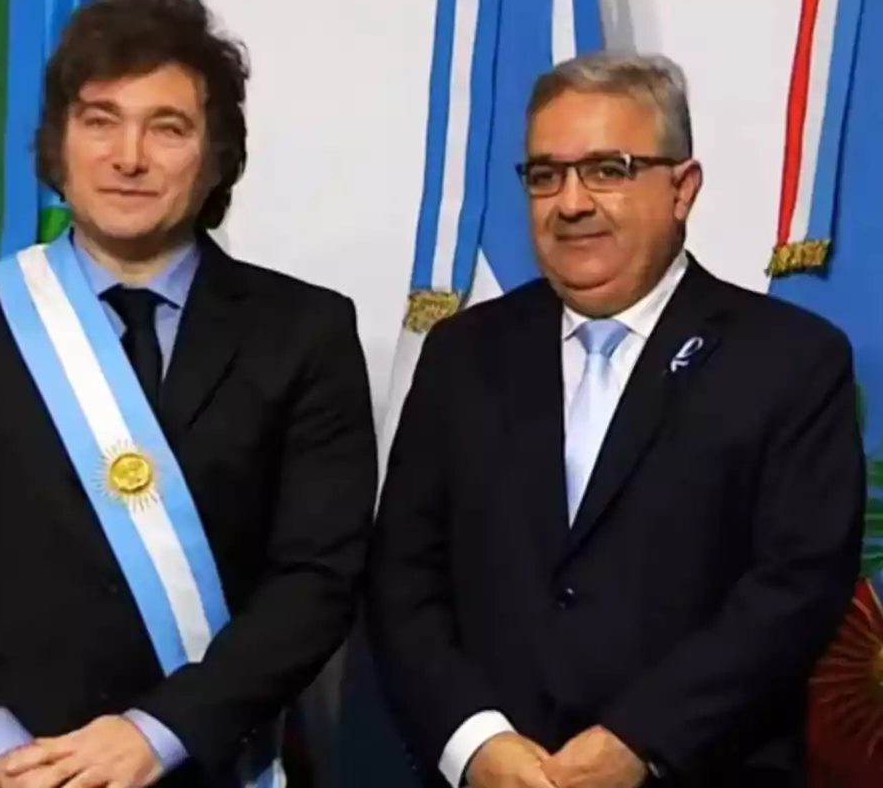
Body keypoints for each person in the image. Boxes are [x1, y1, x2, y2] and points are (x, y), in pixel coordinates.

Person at [0, 0, 377, 787]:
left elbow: (317, 579)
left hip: (207, 766)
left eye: (168, 127)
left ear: (217, 154)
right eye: (99, 120)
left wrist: (159, 733)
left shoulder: (305, 332)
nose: (129, 156)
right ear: (58, 144)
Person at [365, 52, 864, 788]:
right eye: (546, 174)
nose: (571, 201)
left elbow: (796, 588)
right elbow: (403, 574)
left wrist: (640, 740)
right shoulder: (463, 354)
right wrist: (476, 743)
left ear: (682, 189)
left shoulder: (789, 360)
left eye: (609, 169)